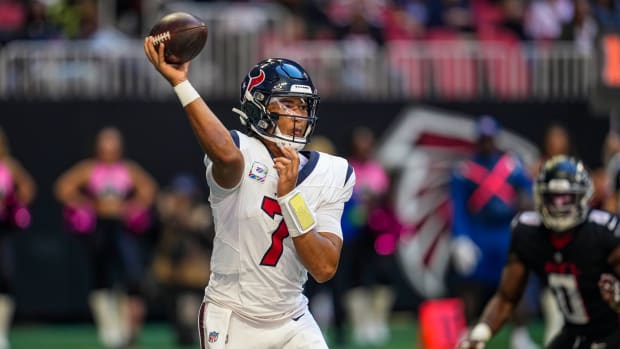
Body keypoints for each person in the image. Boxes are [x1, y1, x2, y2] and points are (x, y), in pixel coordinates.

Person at [144, 38, 355, 349]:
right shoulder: (240, 154)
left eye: (303, 105)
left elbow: (324, 268)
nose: (298, 115)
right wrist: (182, 84)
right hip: (233, 316)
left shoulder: (333, 172)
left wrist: (290, 198)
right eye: (287, 104)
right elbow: (226, 155)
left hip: (293, 318)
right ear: (258, 108)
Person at [457, 155, 620, 349]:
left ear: (582, 197)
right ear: (540, 196)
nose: (559, 206)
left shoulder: (604, 231)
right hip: (575, 331)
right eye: (553, 198)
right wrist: (479, 334)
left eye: (566, 198)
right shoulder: (528, 232)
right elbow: (507, 297)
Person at [54, 127, 157, 348]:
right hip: (99, 227)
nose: (109, 150)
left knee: (129, 276)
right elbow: (63, 187)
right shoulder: (90, 168)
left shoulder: (127, 169)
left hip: (122, 228)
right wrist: (86, 205)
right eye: (104, 145)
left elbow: (148, 188)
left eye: (113, 145)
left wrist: (132, 206)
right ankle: (108, 329)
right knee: (100, 276)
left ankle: (126, 329)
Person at [449, 115, 538, 349]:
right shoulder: (465, 170)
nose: (487, 143)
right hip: (478, 231)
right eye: (483, 139)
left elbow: (528, 193)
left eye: (490, 139)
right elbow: (457, 207)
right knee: (471, 286)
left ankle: (520, 334)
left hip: (505, 231)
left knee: (515, 283)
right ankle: (469, 333)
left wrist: (525, 209)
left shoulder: (511, 164)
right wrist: (461, 238)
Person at [152, 173, 214, 347]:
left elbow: (210, 241)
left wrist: (192, 224)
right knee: (177, 317)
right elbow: (160, 242)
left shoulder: (202, 214)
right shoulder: (166, 214)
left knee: (190, 317)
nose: (182, 200)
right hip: (172, 273)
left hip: (196, 271)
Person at [0, 128, 35, 349]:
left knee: (4, 276)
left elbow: (28, 189)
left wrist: (12, 205)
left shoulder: (8, 166)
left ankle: (1, 331)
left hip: (2, 230)